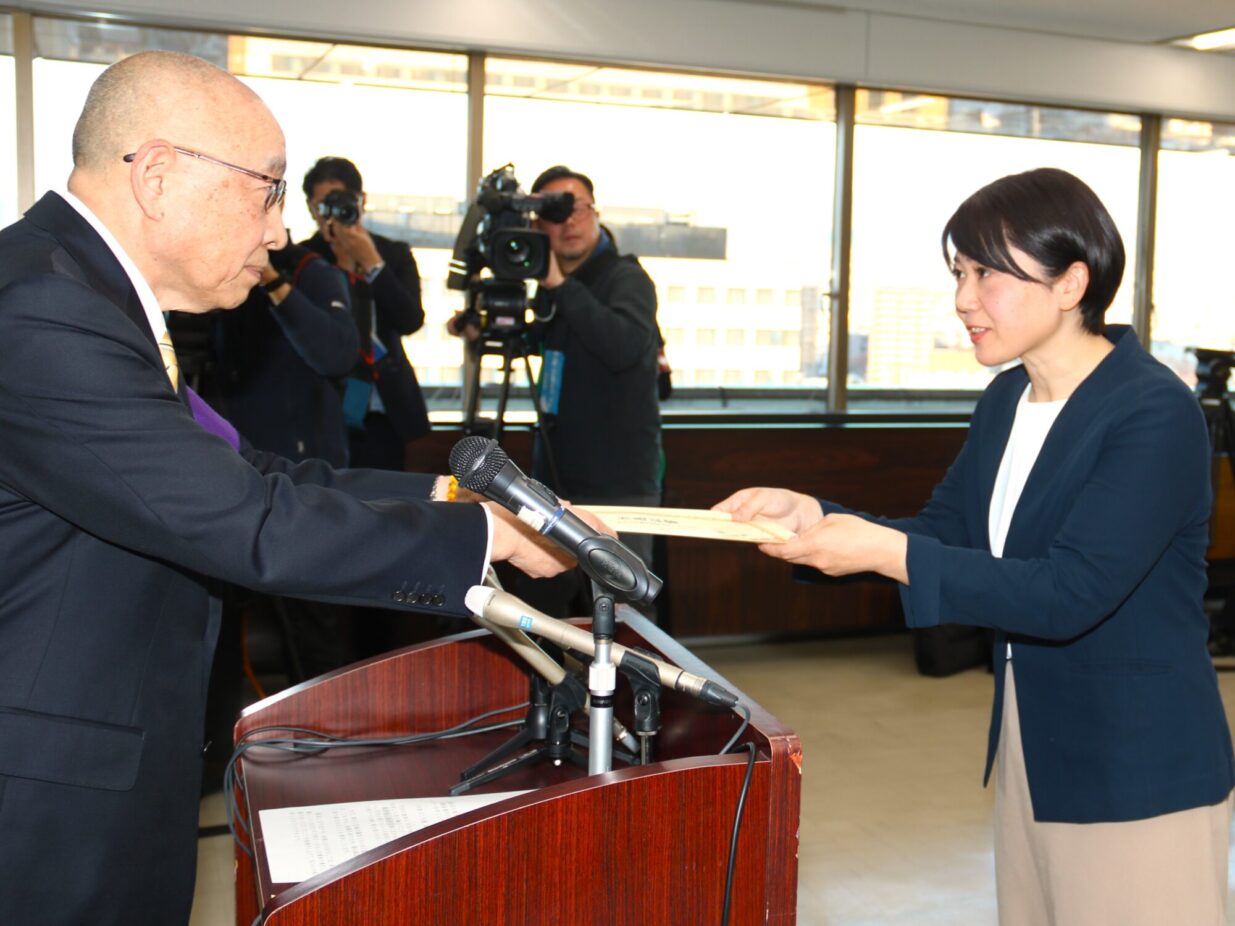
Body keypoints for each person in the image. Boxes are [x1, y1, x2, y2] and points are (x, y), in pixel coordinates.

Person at [0, 51, 577, 925]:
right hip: (46, 793)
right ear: (157, 175)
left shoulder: (89, 296)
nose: (278, 232)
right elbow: (244, 520)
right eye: (265, 190)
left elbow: (252, 470)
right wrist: (487, 541)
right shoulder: (44, 309)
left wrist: (463, 505)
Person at [716, 167, 1235, 924]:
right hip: (1034, 742)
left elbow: (1066, 593)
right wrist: (813, 516)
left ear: (1070, 283)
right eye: (958, 272)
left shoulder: (1151, 413)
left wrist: (878, 550)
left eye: (986, 273)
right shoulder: (1005, 400)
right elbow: (944, 536)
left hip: (1134, 764)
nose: (963, 298)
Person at [301, 156, 430, 470]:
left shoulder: (392, 253)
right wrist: (339, 269)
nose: (330, 214)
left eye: (340, 202)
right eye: (322, 206)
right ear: (310, 208)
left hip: (385, 404)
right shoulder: (303, 259)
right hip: (323, 404)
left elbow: (410, 320)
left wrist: (373, 265)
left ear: (361, 201)